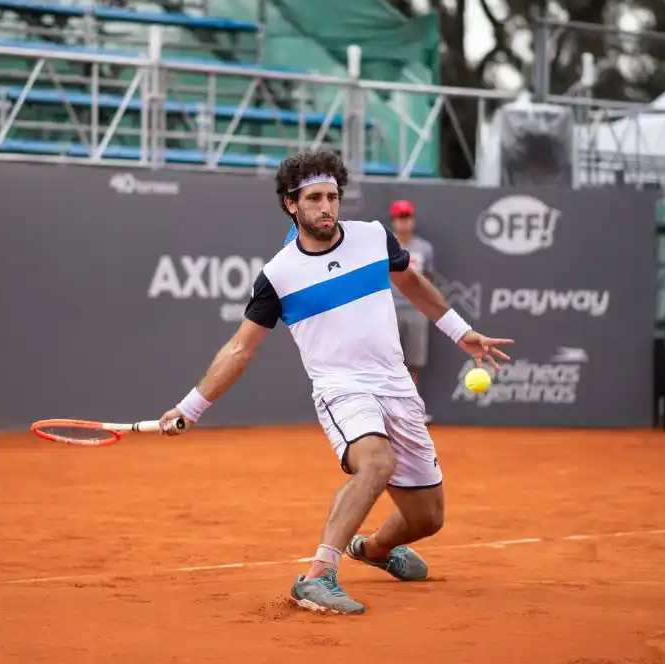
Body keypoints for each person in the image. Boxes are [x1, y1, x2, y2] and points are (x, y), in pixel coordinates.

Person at [158, 150, 513, 615]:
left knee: (428, 518)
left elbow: (412, 283)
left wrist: (460, 331)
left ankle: (374, 550)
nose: (327, 206)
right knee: (376, 462)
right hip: (341, 389)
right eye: (315, 198)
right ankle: (318, 576)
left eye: (332, 196)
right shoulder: (278, 275)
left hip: (396, 386)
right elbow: (240, 349)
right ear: (292, 204)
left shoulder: (373, 237)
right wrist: (190, 408)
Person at [387, 199, 436, 423]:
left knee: (414, 362)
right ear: (393, 221)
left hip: (416, 310)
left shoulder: (424, 248)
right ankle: (389, 411)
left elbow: (429, 278)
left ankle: (413, 411)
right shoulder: (386, 246)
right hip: (389, 309)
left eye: (407, 217)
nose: (404, 222)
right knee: (388, 360)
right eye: (400, 218)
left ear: (412, 220)